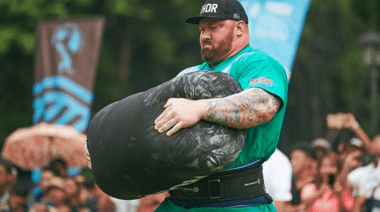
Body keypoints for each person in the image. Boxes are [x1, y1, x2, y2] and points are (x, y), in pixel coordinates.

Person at [152, 0, 288, 211]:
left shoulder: (257, 63)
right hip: (178, 201)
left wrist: (199, 109)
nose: (205, 35)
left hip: (235, 202)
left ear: (240, 28)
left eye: (214, 27)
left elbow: (262, 106)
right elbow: (151, 120)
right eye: (202, 29)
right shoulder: (186, 74)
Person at [287, 143, 316, 212]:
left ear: (308, 160)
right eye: (291, 159)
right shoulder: (288, 183)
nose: (292, 163)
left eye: (296, 159)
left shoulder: (317, 182)